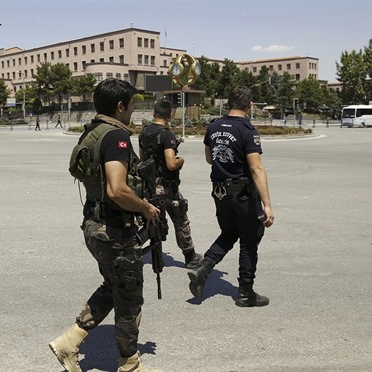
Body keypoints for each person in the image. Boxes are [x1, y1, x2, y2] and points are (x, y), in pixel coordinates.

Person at [49, 78, 162, 372]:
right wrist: (146, 207)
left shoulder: (92, 134)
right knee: (129, 298)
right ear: (120, 106)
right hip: (115, 230)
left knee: (113, 286)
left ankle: (68, 342)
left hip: (95, 225)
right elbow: (117, 189)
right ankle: (130, 364)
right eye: (133, 104)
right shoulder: (116, 138)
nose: (135, 110)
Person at [187, 85, 275, 307]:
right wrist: (267, 204)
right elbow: (256, 168)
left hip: (220, 192)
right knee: (249, 240)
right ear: (250, 105)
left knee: (228, 233)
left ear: (227, 104)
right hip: (242, 193)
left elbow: (210, 159)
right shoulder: (247, 130)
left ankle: (203, 267)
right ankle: (246, 293)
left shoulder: (214, 126)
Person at [138, 99, 202, 269]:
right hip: (167, 187)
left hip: (150, 186)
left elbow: (142, 160)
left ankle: (143, 251)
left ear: (154, 113)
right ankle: (190, 257)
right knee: (180, 218)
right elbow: (171, 164)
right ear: (170, 115)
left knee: (152, 221)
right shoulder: (167, 135)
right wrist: (181, 160)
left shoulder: (144, 132)